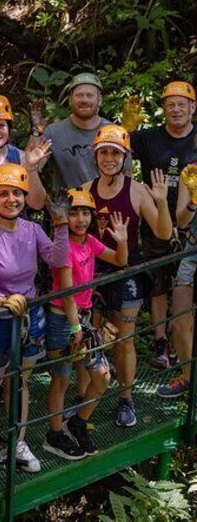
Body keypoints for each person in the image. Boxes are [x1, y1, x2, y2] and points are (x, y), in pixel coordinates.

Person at [0, 164, 70, 473]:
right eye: (4, 194)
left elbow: (58, 260)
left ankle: (17, 441)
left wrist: (60, 224)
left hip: (29, 315)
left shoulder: (32, 230)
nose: (12, 200)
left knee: (20, 381)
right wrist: (3, 299)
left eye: (17, 194)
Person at [79, 124, 171, 427]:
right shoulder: (85, 189)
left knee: (123, 340)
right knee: (88, 339)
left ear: (125, 157)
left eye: (115, 153)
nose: (109, 158)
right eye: (104, 152)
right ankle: (84, 399)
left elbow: (163, 232)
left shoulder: (136, 190)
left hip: (127, 268)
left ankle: (126, 399)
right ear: (96, 155)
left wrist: (160, 200)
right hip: (93, 269)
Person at [44, 190, 126, 460]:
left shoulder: (89, 241)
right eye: (74, 212)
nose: (80, 219)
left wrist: (123, 241)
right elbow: (66, 293)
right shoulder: (64, 247)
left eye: (85, 212)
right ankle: (54, 435)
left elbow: (120, 260)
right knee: (61, 378)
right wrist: (74, 328)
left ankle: (78, 422)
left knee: (102, 375)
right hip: (63, 319)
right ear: (64, 217)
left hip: (83, 318)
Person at [124, 81, 197, 369]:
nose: (176, 109)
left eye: (182, 104)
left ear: (193, 107)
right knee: (159, 284)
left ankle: (185, 348)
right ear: (163, 109)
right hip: (157, 216)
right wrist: (128, 131)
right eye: (170, 104)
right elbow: (119, 154)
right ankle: (160, 344)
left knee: (187, 285)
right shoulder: (149, 138)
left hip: (192, 222)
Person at [157, 162, 197, 398]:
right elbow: (181, 221)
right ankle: (190, 380)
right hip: (191, 252)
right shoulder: (191, 171)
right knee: (180, 323)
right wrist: (194, 200)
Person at [38, 72, 111, 189]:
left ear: (99, 99)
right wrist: (36, 132)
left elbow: (125, 176)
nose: (84, 100)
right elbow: (32, 166)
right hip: (67, 204)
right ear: (70, 99)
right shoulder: (54, 132)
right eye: (79, 95)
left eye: (90, 95)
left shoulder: (112, 131)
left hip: (106, 204)